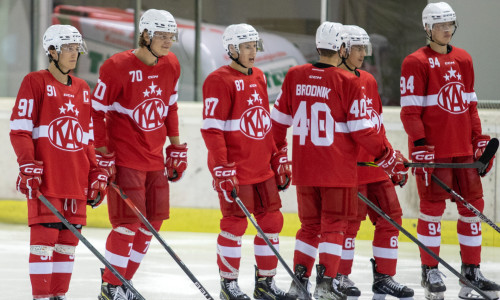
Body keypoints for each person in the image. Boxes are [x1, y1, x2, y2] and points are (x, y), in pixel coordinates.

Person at [270, 21, 409, 300]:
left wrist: (278, 155)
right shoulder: (348, 81)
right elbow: (362, 130)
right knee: (334, 226)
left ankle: (299, 283)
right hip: (337, 170)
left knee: (309, 228)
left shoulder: (295, 75)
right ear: (342, 48)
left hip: (306, 169)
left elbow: (277, 123)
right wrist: (387, 155)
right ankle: (326, 284)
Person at [400, 2, 500, 300]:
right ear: (427, 27)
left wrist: (479, 140)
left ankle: (471, 271)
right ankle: (430, 270)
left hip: (463, 153)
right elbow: (410, 112)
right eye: (440, 25)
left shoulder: (464, 59)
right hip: (433, 152)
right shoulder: (414, 62)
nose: (447, 30)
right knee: (432, 210)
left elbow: (469, 106)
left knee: (473, 208)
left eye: (450, 25)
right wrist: (419, 145)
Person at [91, 9, 187, 300]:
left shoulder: (171, 64)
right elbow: (96, 112)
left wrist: (176, 147)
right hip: (125, 159)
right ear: (145, 34)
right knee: (128, 225)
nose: (168, 42)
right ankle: (111, 286)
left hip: (154, 157)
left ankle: (121, 280)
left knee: (153, 224)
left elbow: (170, 107)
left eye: (171, 36)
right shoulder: (116, 66)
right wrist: (103, 155)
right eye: (162, 35)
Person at [10, 25, 108, 300]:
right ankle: (41, 297)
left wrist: (96, 171)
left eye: (77, 48)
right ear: (51, 51)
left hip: (76, 179)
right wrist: (27, 165)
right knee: (45, 241)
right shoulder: (34, 81)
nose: (74, 54)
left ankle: (59, 295)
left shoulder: (82, 88)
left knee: (68, 243)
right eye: (67, 48)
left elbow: (86, 139)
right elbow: (19, 130)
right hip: (48, 178)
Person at [201, 23, 295, 300]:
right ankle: (228, 284)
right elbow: (212, 129)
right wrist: (221, 166)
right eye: (246, 47)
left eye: (254, 46)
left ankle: (266, 283)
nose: (252, 52)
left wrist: (277, 154)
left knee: (272, 222)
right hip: (235, 168)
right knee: (234, 224)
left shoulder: (260, 76)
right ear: (231, 49)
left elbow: (263, 123)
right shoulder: (218, 80)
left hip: (262, 166)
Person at [335, 25, 414, 300]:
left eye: (363, 48)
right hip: (351, 170)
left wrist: (390, 155)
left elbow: (375, 125)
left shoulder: (368, 79)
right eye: (357, 48)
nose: (362, 54)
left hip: (376, 165)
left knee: (391, 218)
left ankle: (384, 277)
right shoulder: (335, 81)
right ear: (342, 48)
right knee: (349, 225)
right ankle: (339, 276)